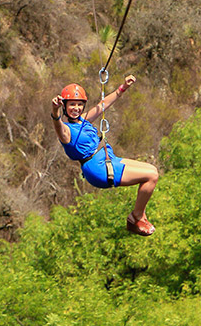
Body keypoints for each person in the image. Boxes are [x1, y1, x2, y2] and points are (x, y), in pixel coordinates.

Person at [51, 75, 160, 235]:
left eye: (79, 104)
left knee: (152, 170)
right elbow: (57, 125)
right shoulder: (67, 131)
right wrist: (54, 110)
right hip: (98, 168)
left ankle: (139, 215)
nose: (76, 108)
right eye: (72, 104)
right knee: (151, 176)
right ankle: (136, 217)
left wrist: (123, 88)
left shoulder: (84, 121)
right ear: (65, 107)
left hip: (108, 159)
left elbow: (102, 106)